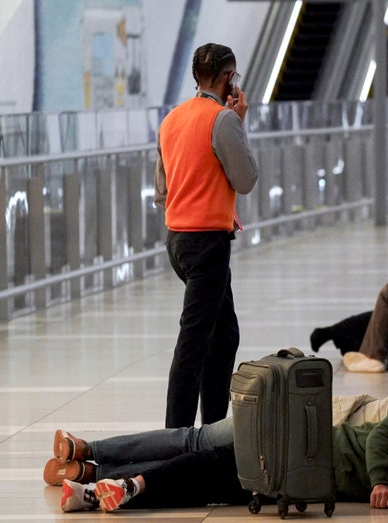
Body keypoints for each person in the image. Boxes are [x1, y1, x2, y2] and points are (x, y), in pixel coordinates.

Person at [47, 394, 388, 513]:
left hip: (304, 460)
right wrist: (381, 481)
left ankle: (92, 476)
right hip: (301, 428)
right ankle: (95, 462)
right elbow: (381, 436)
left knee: (204, 473)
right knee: (199, 447)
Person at [154, 43, 259, 428]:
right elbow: (246, 179)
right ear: (230, 78)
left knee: (224, 333)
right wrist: (239, 123)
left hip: (178, 241)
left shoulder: (171, 120)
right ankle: (176, 435)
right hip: (207, 244)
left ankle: (214, 426)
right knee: (194, 342)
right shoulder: (223, 120)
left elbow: (161, 189)